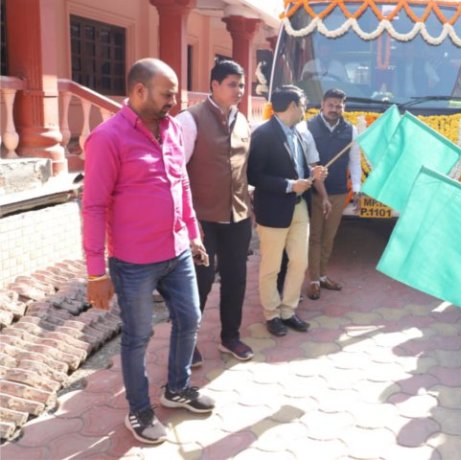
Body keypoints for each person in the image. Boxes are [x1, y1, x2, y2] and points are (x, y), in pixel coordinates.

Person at [82, 58, 215, 445]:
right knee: (137, 337)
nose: (174, 102)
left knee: (189, 319)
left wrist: (193, 233)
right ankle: (139, 411)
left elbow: (182, 185)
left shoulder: (172, 129)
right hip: (134, 261)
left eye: (175, 95)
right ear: (139, 91)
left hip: (177, 252)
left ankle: (177, 388)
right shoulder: (108, 138)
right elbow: (92, 207)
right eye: (167, 95)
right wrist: (96, 273)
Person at [176, 60, 254, 365]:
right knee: (200, 281)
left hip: (238, 217)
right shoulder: (190, 120)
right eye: (233, 84)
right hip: (202, 219)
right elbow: (176, 171)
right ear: (215, 85)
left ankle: (230, 337)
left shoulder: (243, 121)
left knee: (236, 279)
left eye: (242, 85)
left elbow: (245, 168)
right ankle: (188, 341)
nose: (239, 91)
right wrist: (185, 221)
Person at [247, 85, 327, 337]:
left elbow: (302, 170)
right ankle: (271, 314)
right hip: (272, 210)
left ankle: (288, 310)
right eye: (303, 105)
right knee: (271, 266)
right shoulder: (263, 134)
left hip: (299, 207)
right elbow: (254, 176)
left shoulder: (300, 133)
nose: (305, 110)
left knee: (299, 261)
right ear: (292, 106)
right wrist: (290, 186)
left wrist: (315, 174)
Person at [300, 88, 361, 300]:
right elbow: (306, 162)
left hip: (339, 193)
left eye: (339, 106)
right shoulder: (307, 127)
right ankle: (314, 280)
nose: (334, 109)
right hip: (315, 193)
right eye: (331, 105)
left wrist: (357, 190)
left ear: (343, 107)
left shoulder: (350, 130)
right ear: (322, 104)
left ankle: (324, 275)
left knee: (329, 237)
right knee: (315, 236)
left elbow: (354, 161)